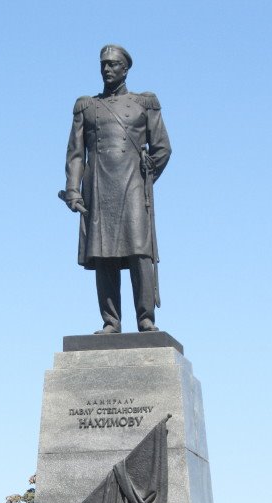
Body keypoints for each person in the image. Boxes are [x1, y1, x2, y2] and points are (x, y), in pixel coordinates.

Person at [63, 45, 171, 334]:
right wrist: (73, 190)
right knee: (103, 254)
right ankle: (111, 321)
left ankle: (145, 318)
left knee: (139, 252)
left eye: (113, 65)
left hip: (133, 184)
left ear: (126, 69)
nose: (107, 69)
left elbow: (162, 147)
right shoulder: (86, 107)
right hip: (98, 185)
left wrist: (149, 173)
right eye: (103, 65)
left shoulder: (144, 103)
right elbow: (76, 154)